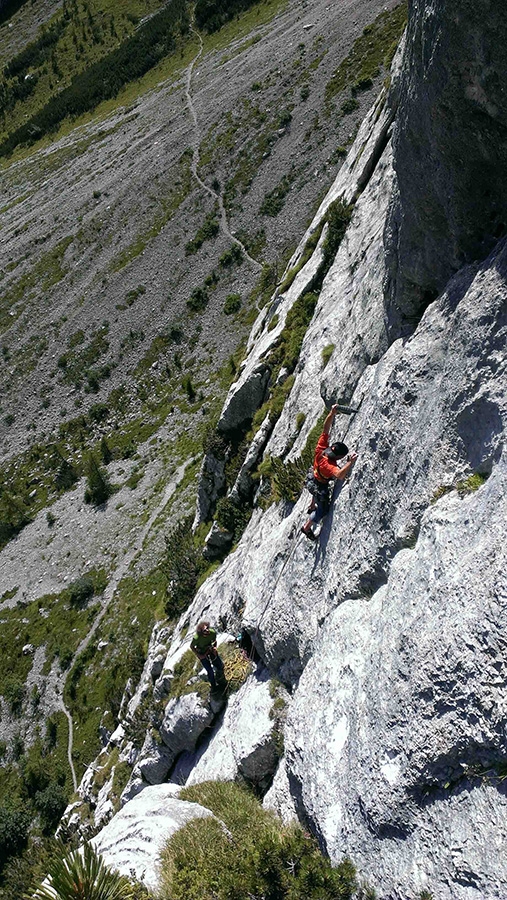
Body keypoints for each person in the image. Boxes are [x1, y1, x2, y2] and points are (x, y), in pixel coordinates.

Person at [301, 404, 357, 541]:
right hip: (319, 485)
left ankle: (312, 504)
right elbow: (339, 475)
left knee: (317, 486)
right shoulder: (329, 466)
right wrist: (350, 462)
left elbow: (326, 429)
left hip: (312, 477)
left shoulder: (322, 448)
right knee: (323, 509)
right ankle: (307, 527)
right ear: (338, 457)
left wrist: (331, 413)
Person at [190, 621, 225, 687]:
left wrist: (215, 648)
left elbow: (214, 641)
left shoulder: (212, 632)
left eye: (207, 628)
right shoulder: (197, 638)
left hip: (210, 648)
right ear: (201, 633)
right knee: (210, 670)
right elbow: (192, 646)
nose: (207, 630)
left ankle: (221, 674)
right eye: (205, 630)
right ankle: (213, 686)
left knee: (217, 661)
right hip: (202, 652)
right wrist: (199, 655)